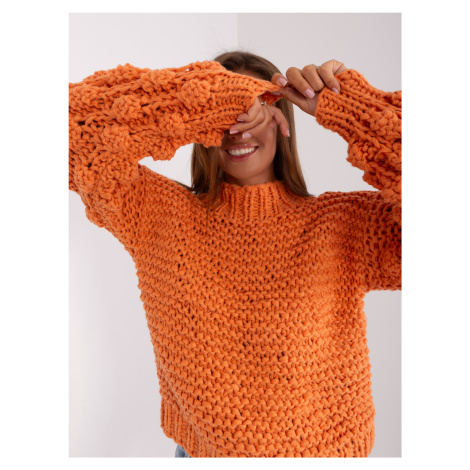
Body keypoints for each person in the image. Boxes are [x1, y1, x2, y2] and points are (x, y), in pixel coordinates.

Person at [69, 50, 401, 458]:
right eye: (227, 113)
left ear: (282, 118)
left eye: (256, 108)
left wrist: (353, 109)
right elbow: (67, 132)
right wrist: (200, 98)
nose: (238, 129)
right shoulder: (156, 212)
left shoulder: (344, 224)